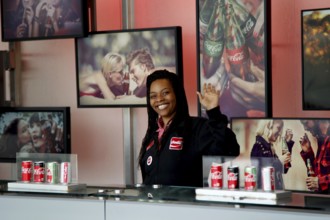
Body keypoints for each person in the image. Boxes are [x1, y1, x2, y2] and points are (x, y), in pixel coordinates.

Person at [138, 69, 240, 187]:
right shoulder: (152, 135)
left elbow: (229, 151)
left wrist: (214, 112)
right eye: (153, 96)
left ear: (177, 93)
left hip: (186, 204)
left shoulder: (196, 127)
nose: (159, 99)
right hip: (153, 205)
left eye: (165, 93)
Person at [250, 119, 293, 190]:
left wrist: (287, 143)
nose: (280, 133)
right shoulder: (258, 146)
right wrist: (279, 161)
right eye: (278, 128)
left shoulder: (268, 147)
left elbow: (283, 170)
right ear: (268, 126)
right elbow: (262, 175)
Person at [299, 120, 330, 193]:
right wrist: (307, 152)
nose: (305, 128)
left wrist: (320, 182)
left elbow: (319, 180)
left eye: (306, 123)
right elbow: (316, 173)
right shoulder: (321, 139)